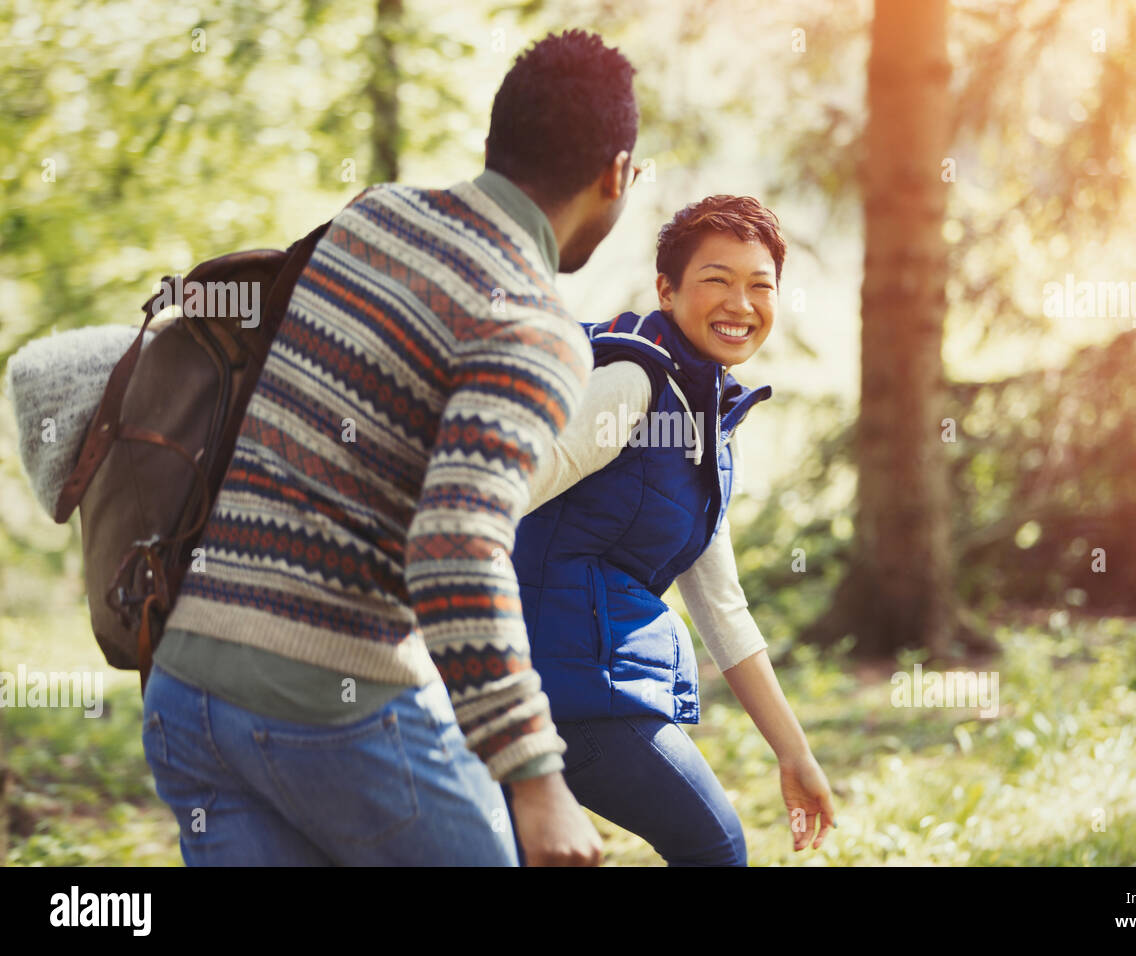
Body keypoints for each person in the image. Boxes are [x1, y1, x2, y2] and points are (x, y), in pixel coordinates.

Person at [140, 29, 641, 866]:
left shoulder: (369, 218)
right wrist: (537, 779)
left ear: (498, 136)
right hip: (332, 705)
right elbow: (455, 550)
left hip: (188, 692)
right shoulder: (531, 321)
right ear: (617, 173)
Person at [506, 195, 835, 865]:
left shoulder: (705, 422)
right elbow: (496, 496)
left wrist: (794, 752)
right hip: (559, 693)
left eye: (759, 286)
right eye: (717, 280)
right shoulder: (631, 383)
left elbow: (723, 610)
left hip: (584, 686)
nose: (740, 304)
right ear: (667, 289)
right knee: (712, 846)